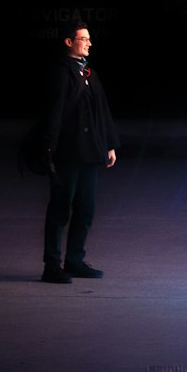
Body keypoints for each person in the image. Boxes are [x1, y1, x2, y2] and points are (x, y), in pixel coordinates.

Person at [39, 22, 118, 284]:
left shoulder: (88, 72)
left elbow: (101, 109)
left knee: (85, 209)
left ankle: (74, 260)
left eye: (89, 39)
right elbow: (55, 112)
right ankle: (52, 265)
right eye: (83, 39)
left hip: (89, 152)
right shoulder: (62, 72)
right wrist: (49, 148)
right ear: (68, 42)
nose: (89, 43)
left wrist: (108, 143)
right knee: (60, 208)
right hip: (69, 153)